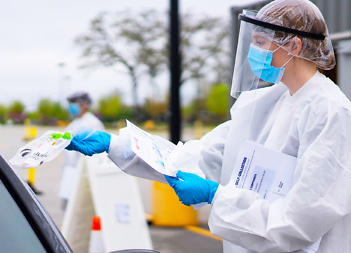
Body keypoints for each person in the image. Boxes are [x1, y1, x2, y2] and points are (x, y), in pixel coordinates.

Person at [65, 0, 351, 252]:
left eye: (261, 43)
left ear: (294, 46)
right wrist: (116, 145)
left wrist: (216, 196)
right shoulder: (266, 105)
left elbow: (297, 223)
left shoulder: (330, 113)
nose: (253, 51)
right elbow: (199, 157)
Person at [58, 91, 105, 211]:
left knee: (82, 208)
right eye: (70, 103)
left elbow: (98, 153)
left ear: (85, 104)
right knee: (68, 208)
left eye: (74, 103)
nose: (71, 106)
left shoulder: (93, 123)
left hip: (84, 172)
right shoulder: (74, 123)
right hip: (70, 171)